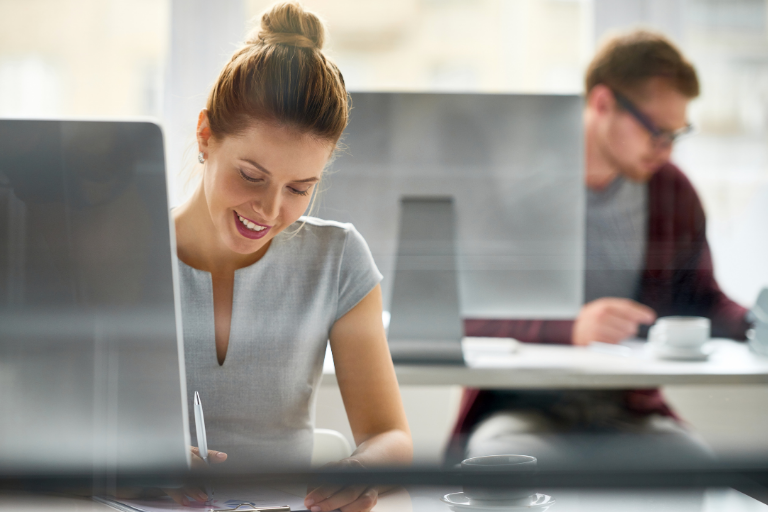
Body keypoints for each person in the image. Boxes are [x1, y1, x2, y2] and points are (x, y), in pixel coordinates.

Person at [448, 30, 751, 467]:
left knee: (697, 471)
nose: (665, 150)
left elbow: (701, 299)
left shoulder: (671, 191)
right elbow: (463, 311)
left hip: (629, 411)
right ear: (603, 103)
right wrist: (571, 327)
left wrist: (755, 322)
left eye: (676, 134)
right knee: (505, 471)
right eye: (655, 132)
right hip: (519, 407)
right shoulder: (518, 185)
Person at [170, 3, 412, 510]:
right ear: (205, 134)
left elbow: (390, 436)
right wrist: (125, 464)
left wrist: (360, 473)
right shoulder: (130, 251)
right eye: (252, 176)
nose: (270, 210)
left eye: (300, 188)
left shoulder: (337, 259)